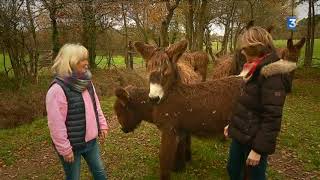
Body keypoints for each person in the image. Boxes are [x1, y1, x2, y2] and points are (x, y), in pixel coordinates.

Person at [224, 26, 296, 179]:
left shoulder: (273, 74)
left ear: (256, 48)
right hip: (241, 134)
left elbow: (272, 117)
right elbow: (244, 102)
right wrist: (232, 125)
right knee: (233, 170)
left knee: (253, 176)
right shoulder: (251, 68)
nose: (242, 52)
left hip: (255, 140)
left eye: (245, 49)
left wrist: (258, 150)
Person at [46, 44, 108, 180]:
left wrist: (102, 125)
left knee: (100, 173)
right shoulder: (57, 90)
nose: (86, 63)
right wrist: (65, 149)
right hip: (71, 146)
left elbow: (96, 105)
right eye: (81, 60)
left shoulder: (86, 82)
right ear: (70, 62)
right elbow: (56, 124)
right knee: (73, 177)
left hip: (90, 141)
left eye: (86, 59)